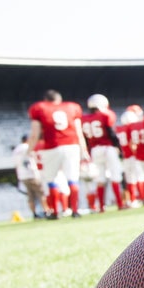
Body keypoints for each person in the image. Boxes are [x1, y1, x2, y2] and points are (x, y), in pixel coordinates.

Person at [27, 89, 88, 218]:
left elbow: (35, 134)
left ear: (46, 100)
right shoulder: (72, 107)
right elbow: (79, 132)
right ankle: (75, 210)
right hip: (72, 145)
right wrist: (84, 149)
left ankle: (55, 212)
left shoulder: (39, 108)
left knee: (51, 179)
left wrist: (29, 151)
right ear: (59, 99)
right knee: (73, 178)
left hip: (52, 146)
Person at [80, 93, 124, 211]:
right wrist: (118, 147)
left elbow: (84, 138)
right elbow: (111, 133)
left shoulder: (83, 119)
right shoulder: (105, 115)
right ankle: (120, 204)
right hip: (107, 147)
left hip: (94, 149)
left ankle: (101, 207)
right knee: (115, 175)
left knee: (100, 178)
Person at [12, 134, 45, 218]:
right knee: (41, 193)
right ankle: (46, 211)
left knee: (30, 196)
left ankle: (34, 214)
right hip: (31, 173)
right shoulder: (28, 147)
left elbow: (15, 164)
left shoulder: (16, 150)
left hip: (22, 176)